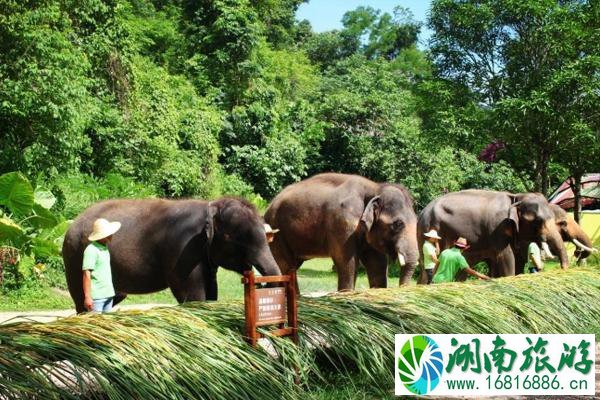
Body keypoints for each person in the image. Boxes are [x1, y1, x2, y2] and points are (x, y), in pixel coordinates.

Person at [82, 218, 121, 312]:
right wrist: (88, 297)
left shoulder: (105, 248)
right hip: (97, 298)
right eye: (108, 233)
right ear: (102, 235)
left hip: (108, 295)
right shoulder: (91, 250)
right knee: (95, 326)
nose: (111, 235)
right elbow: (86, 274)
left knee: (106, 326)